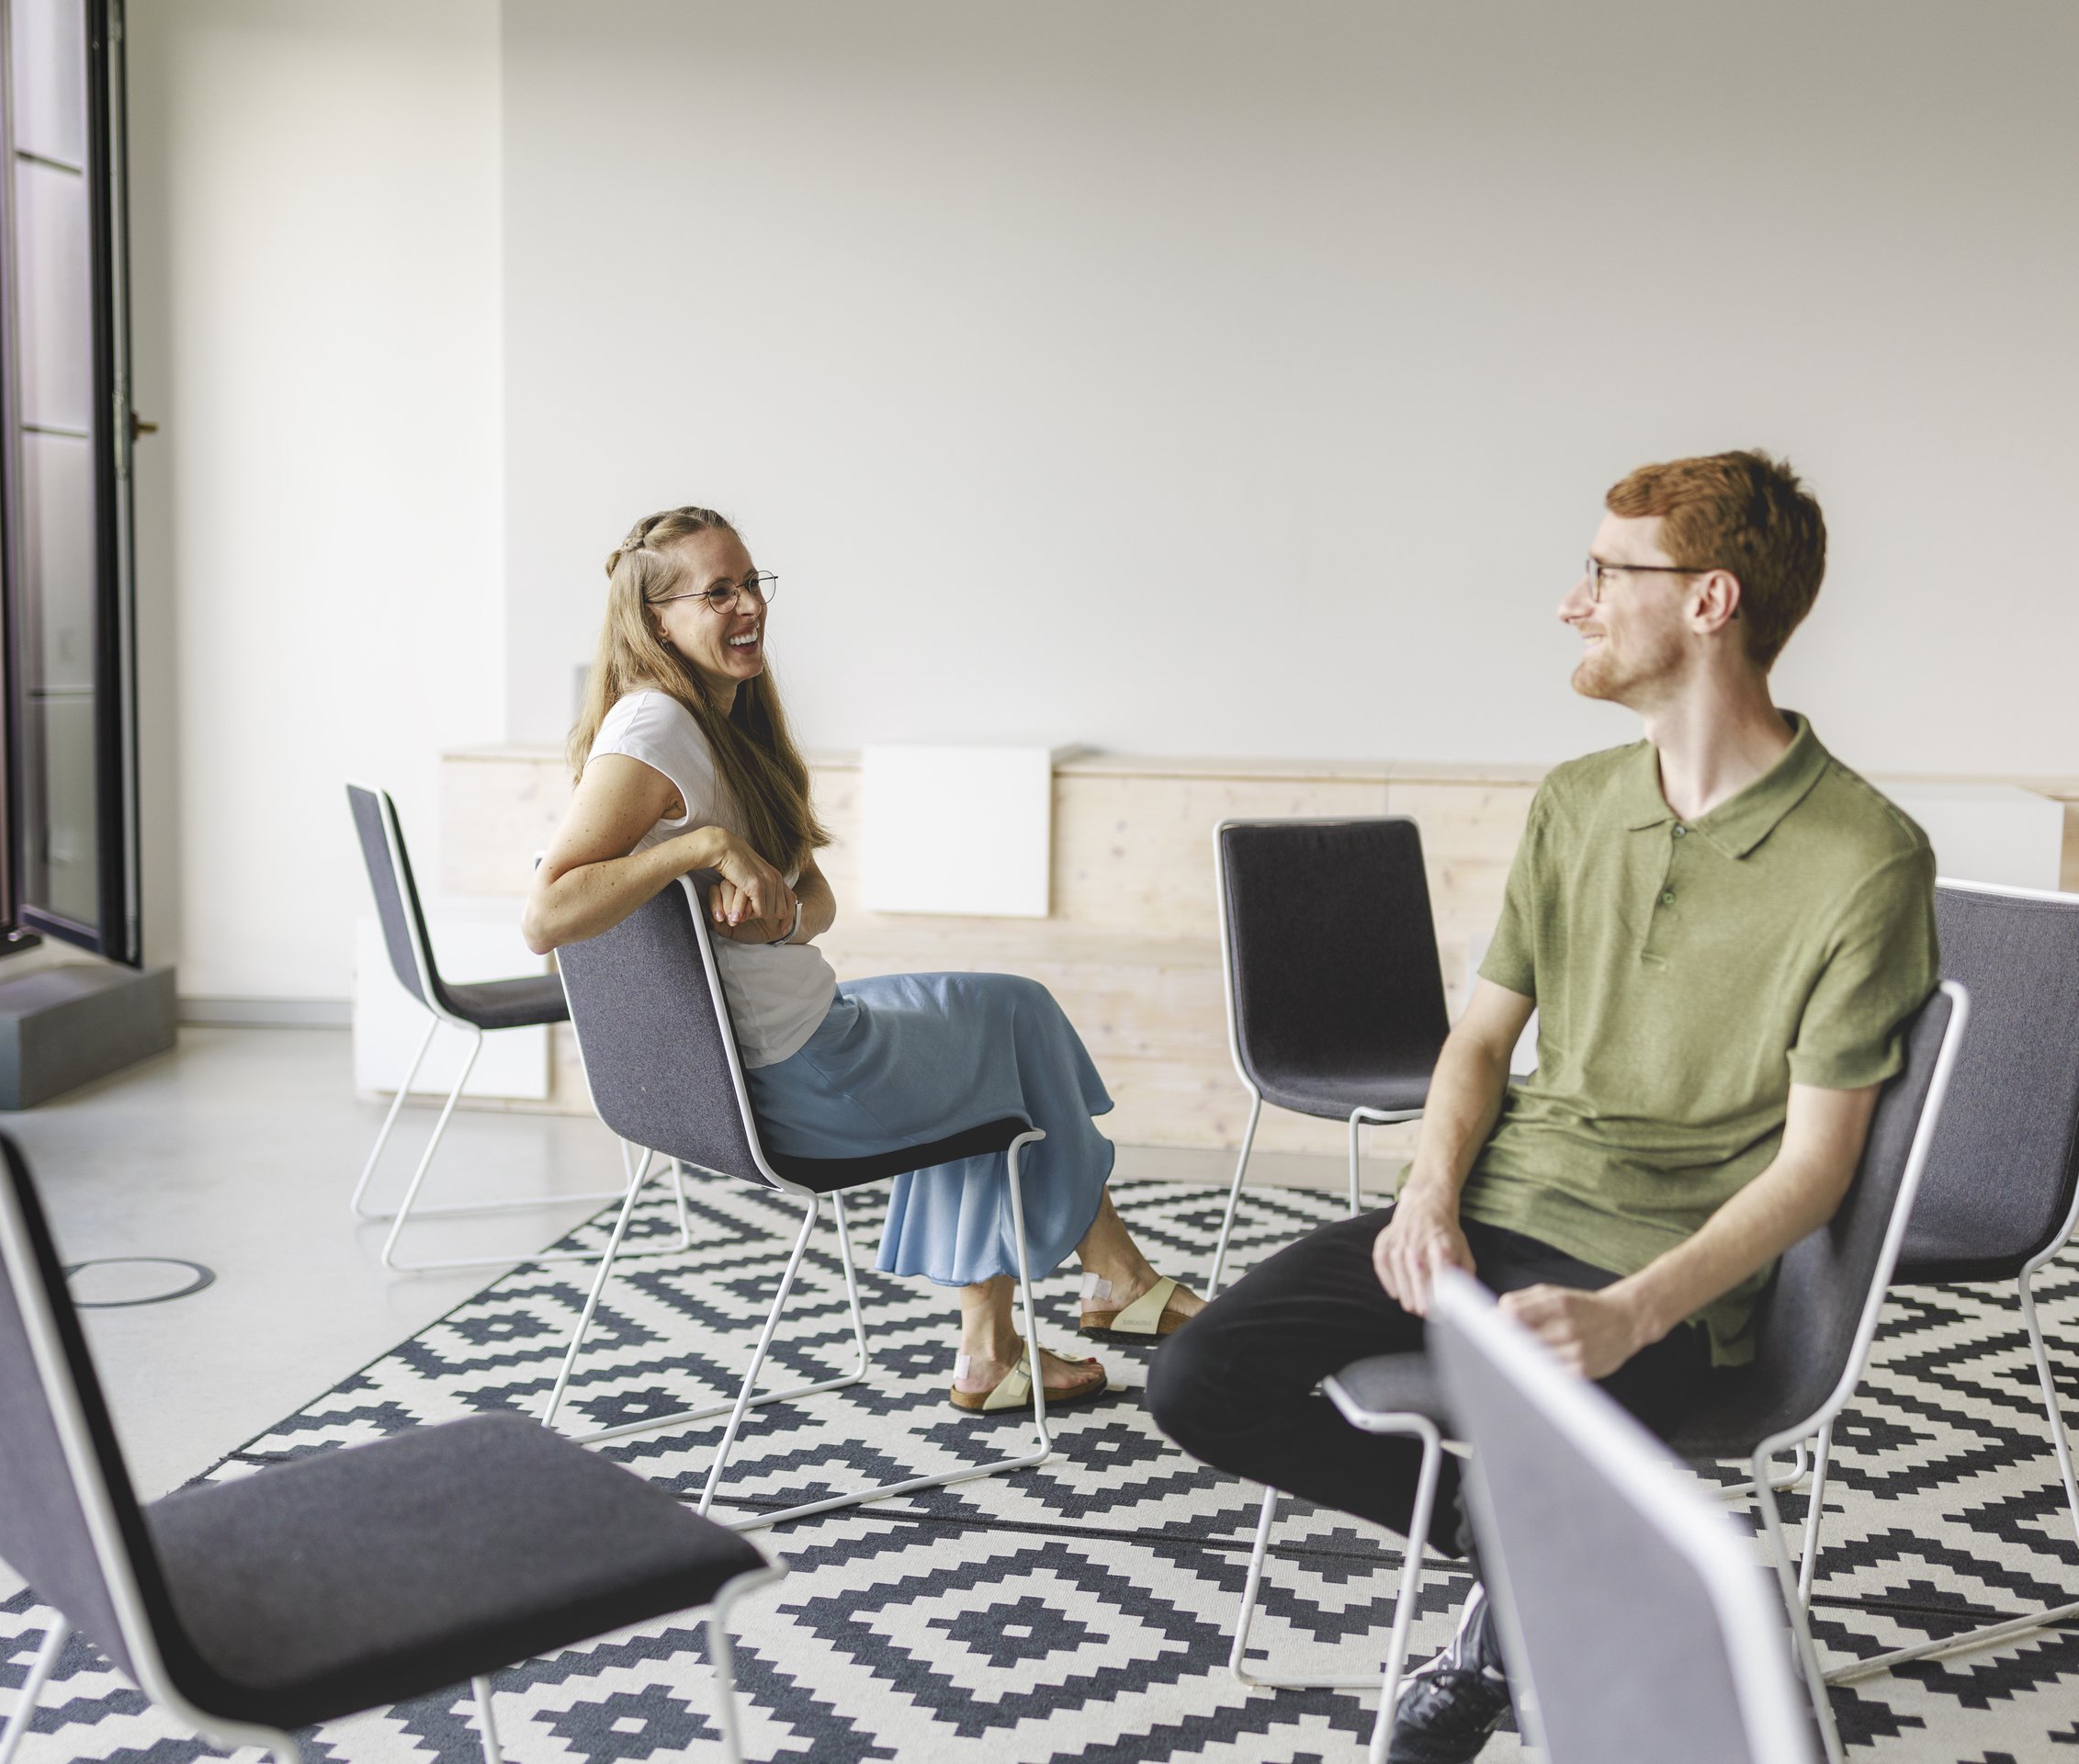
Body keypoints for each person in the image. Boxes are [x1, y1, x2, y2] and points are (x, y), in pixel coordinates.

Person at [1147, 450, 1937, 1762]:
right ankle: (1507, 1556)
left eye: (1604, 573)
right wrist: (1427, 1195)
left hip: (1658, 1274)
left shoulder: (1866, 859)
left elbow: (1815, 1169)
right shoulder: (1576, 802)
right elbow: (1478, 1040)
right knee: (1196, 1378)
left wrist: (1635, 1313)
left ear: (1709, 601)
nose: (1574, 603)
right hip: (1493, 1210)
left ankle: (1511, 1624)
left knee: (1583, 1458)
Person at [522, 505, 1203, 1414]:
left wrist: (776, 919)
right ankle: (1099, 1290)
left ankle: (1022, 1335)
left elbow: (817, 902)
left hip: (801, 1035)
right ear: (659, 623)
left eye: (751, 583)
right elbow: (548, 913)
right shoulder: (654, 728)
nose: (748, 606)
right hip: (795, 1080)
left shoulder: (729, 722)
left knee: (1009, 1012)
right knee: (1004, 1047)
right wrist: (703, 849)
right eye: (717, 592)